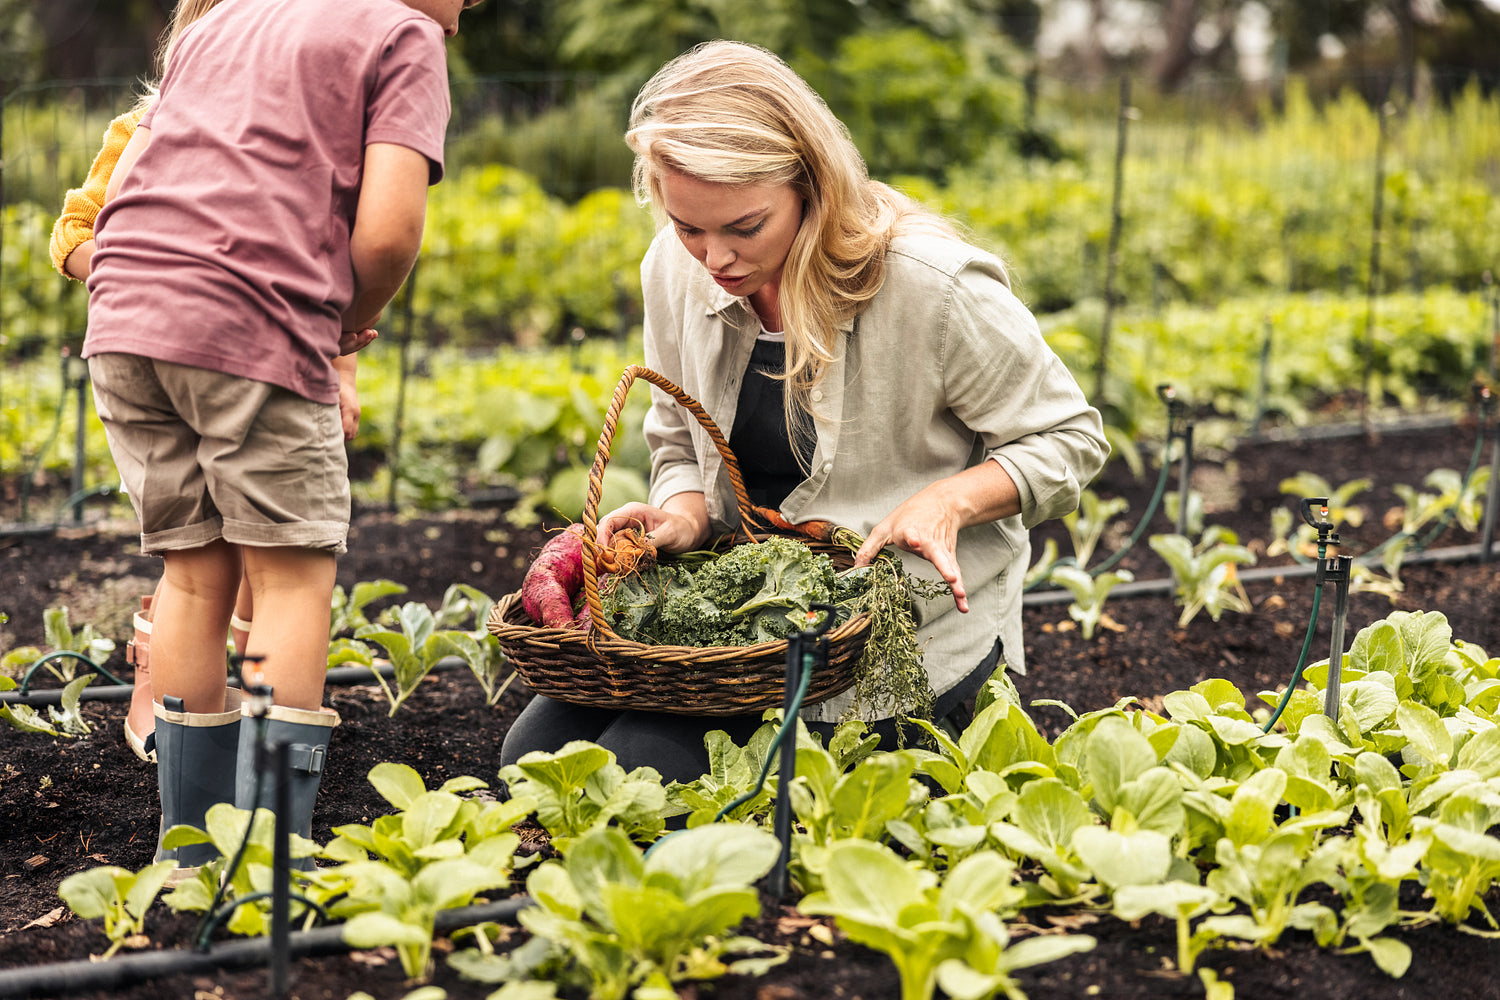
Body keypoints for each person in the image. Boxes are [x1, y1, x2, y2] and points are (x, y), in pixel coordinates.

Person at [499, 40, 1110, 785]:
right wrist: (684, 514)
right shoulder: (672, 268)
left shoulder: (931, 287)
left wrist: (949, 501)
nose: (713, 258)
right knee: (535, 761)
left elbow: (1070, 439)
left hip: (889, 634)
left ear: (810, 187)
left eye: (744, 227)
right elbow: (677, 439)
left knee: (634, 776)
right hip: (746, 619)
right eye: (689, 226)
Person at [83, 0, 473, 879]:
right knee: (294, 581)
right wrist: (344, 324)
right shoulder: (401, 34)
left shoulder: (224, 15)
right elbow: (389, 232)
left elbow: (136, 173)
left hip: (125, 319)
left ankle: (191, 853)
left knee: (194, 575)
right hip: (250, 324)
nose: (459, 21)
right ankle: (265, 862)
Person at [48, 0, 369, 766]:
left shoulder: (284, 130)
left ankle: (234, 735)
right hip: (184, 349)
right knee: (212, 559)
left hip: (237, 350)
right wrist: (149, 270)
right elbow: (72, 232)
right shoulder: (145, 126)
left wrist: (343, 373)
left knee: (247, 562)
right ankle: (179, 721)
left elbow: (327, 257)